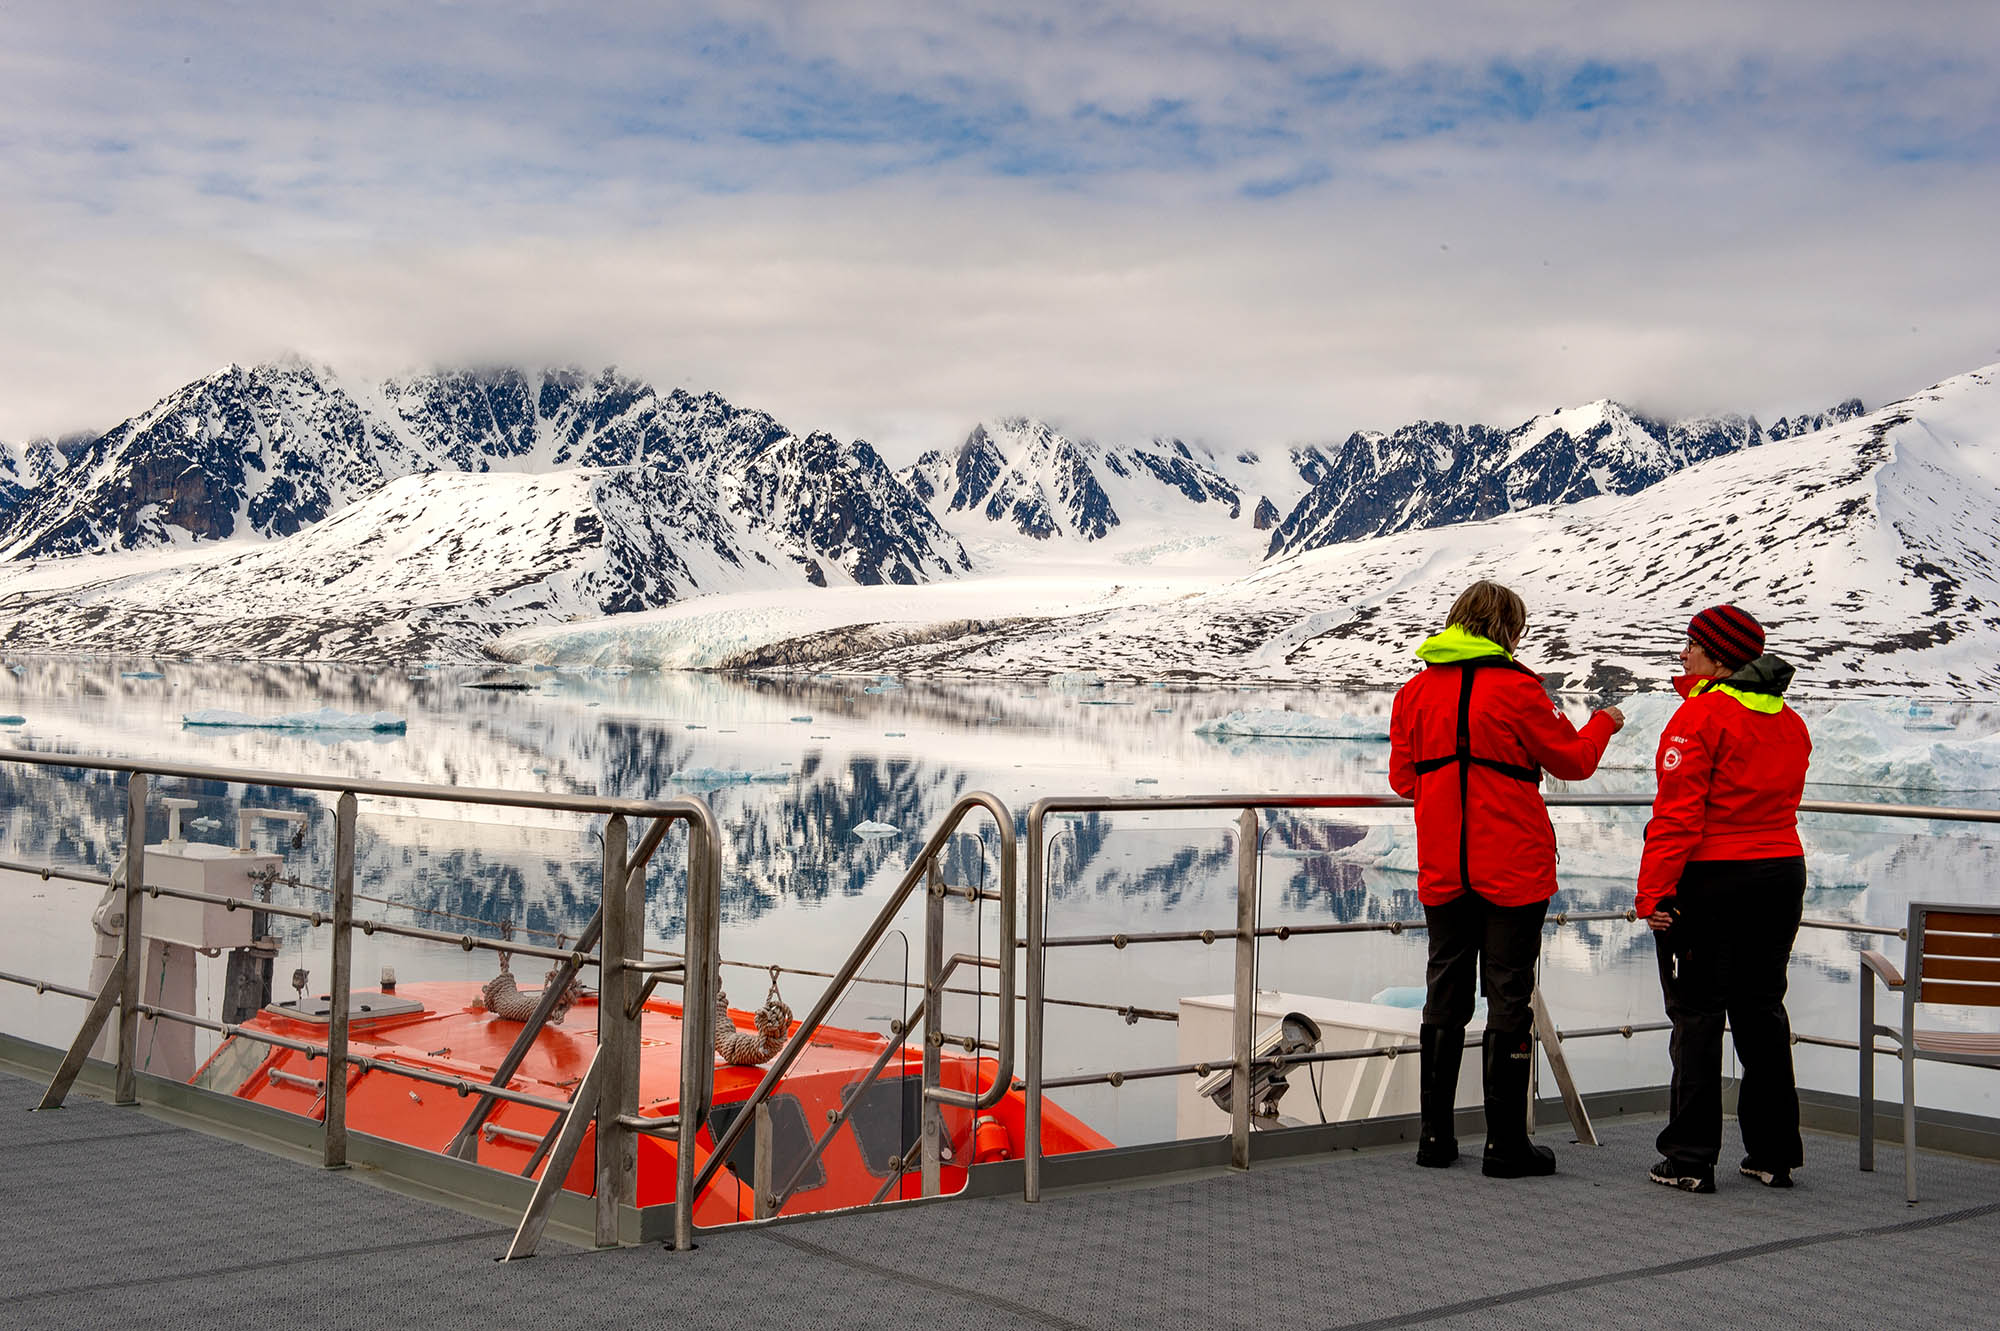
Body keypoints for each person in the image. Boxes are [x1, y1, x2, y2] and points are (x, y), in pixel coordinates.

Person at [1390, 581, 1624, 1177]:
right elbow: (1573, 761)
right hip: (1512, 866)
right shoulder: (1521, 691)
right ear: (1508, 631)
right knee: (1508, 997)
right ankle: (1504, 1146)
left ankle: (1435, 1140)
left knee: (1444, 997)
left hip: (1445, 865)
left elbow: (1403, 780)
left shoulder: (1413, 693)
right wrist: (1603, 722)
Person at [1636, 605, 1811, 1194]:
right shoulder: (1789, 720)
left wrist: (1653, 894)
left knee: (1697, 1014)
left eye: (1690, 645)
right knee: (1761, 1009)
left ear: (1717, 655)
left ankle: (1688, 1158)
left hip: (1712, 880)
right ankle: (1774, 1153)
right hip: (1781, 872)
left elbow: (1677, 818)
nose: (1682, 654)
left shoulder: (1699, 717)